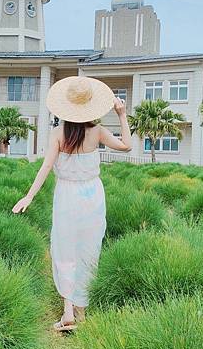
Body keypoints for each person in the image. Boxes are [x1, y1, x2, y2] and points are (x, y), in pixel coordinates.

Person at [12, 76, 132, 332]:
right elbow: (126, 146)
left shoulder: (58, 133)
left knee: (65, 251)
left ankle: (68, 313)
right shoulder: (97, 131)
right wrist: (121, 114)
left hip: (67, 196)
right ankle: (81, 313)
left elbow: (46, 166)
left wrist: (29, 196)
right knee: (88, 252)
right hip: (92, 197)